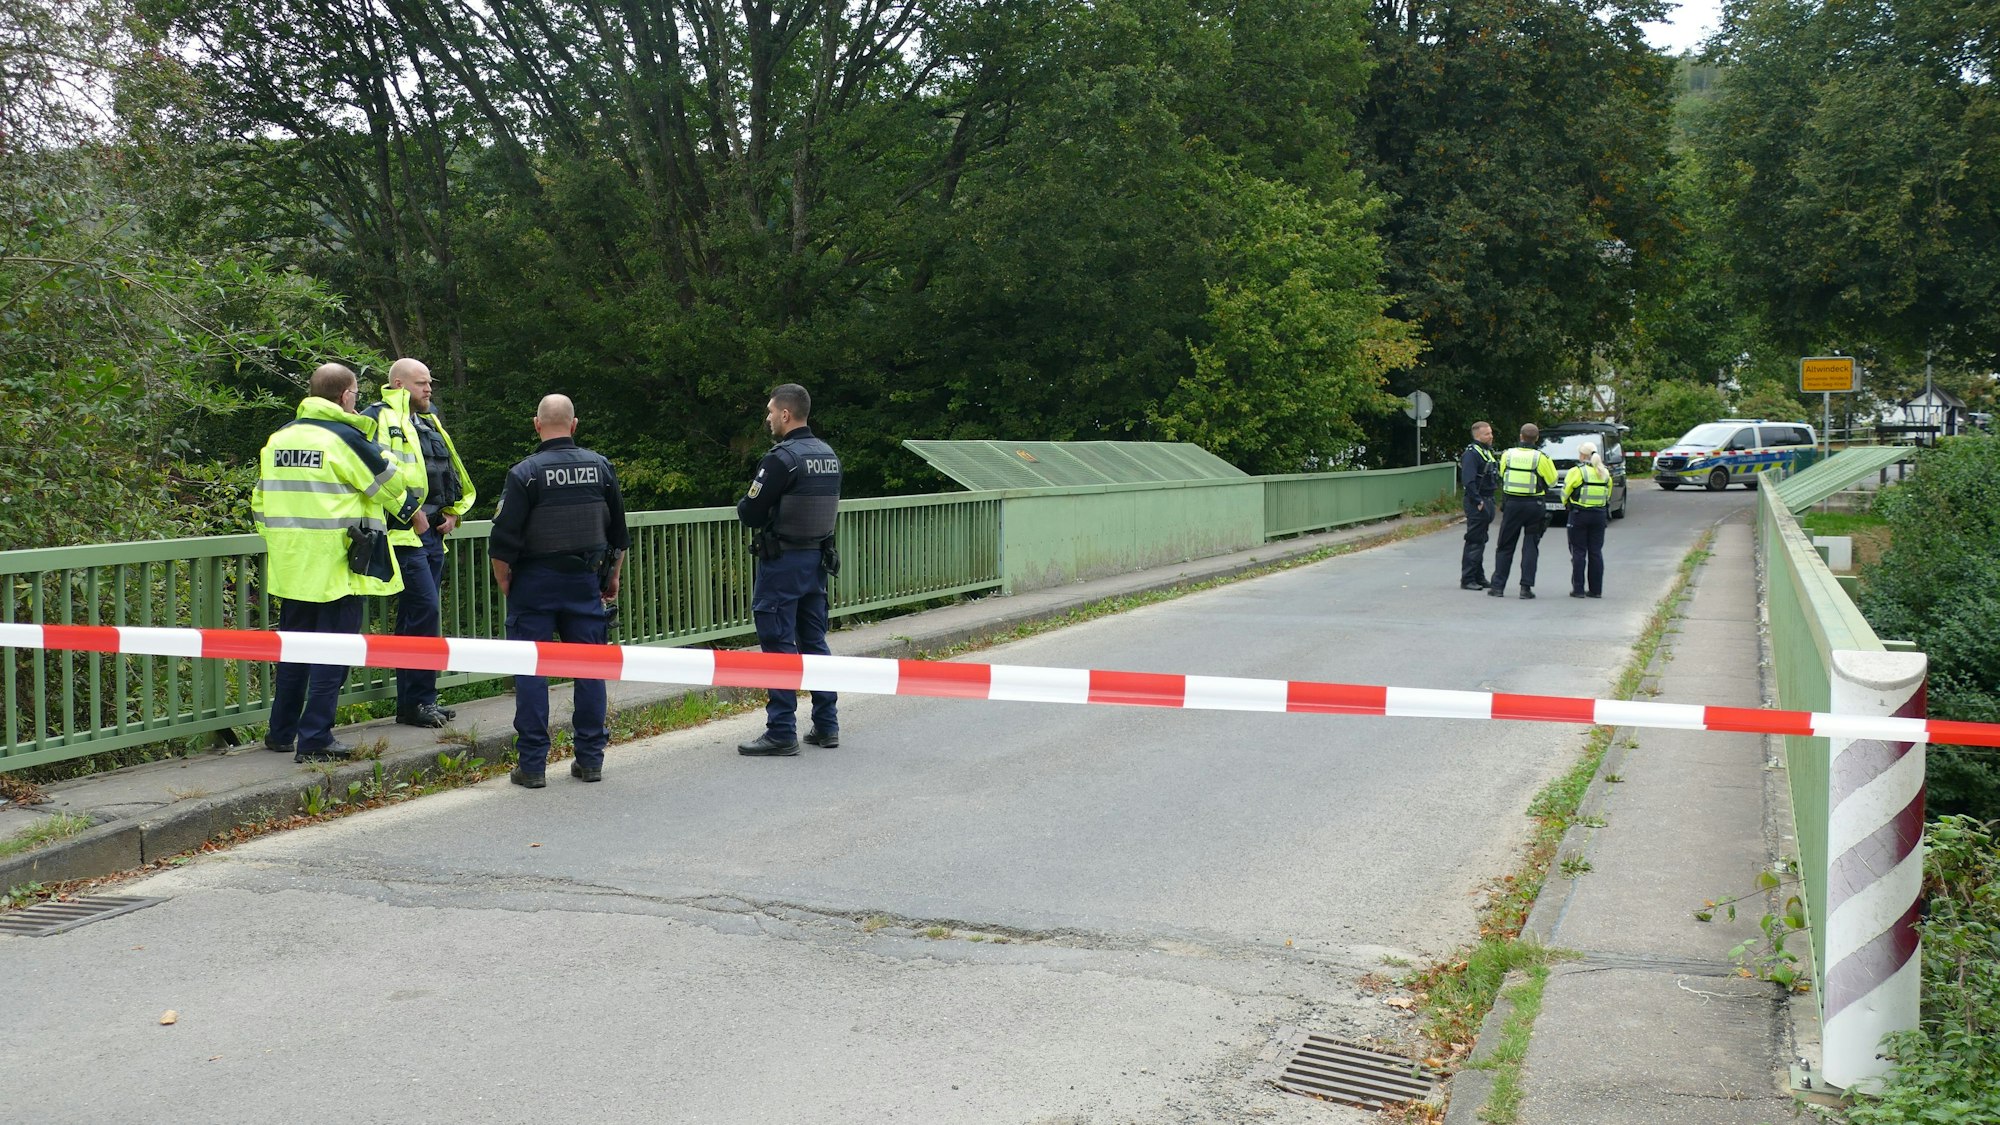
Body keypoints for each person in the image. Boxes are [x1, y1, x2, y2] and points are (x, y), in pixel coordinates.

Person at [252, 363, 423, 762]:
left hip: (292, 565)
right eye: (356, 394)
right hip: (337, 565)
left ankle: (281, 733)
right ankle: (315, 739)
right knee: (334, 652)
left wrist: (285, 541)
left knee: (294, 651)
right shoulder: (345, 438)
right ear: (346, 396)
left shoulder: (279, 438)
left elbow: (259, 503)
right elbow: (390, 484)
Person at [488, 395, 629, 788]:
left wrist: (506, 582)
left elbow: (501, 541)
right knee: (589, 670)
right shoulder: (601, 468)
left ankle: (532, 766)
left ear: (537, 425)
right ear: (574, 424)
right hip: (585, 581)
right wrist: (612, 577)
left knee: (532, 671)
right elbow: (620, 535)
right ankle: (590, 760)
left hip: (533, 584)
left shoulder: (525, 474)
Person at [363, 358, 477, 729]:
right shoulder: (377, 418)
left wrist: (454, 510)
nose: (429, 389)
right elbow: (373, 475)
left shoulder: (428, 420)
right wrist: (410, 511)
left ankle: (416, 703)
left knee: (418, 618)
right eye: (421, 383)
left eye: (430, 383)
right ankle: (419, 701)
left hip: (429, 534)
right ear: (398, 384)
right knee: (424, 612)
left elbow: (448, 470)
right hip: (400, 533)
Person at [734, 383, 842, 757]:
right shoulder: (828, 454)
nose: (767, 418)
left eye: (769, 412)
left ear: (785, 414)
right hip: (816, 561)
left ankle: (781, 731)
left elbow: (750, 511)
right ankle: (827, 726)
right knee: (814, 644)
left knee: (779, 645)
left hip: (783, 564)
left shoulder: (782, 459)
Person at [1488, 423, 1557, 600]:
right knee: (1530, 547)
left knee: (1505, 545)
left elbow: (1502, 474)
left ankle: (1497, 587)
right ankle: (1525, 588)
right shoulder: (1541, 458)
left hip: (1512, 505)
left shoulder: (1507, 455)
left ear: (1520, 436)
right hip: (1534, 505)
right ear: (1537, 439)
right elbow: (1552, 481)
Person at [1563, 440, 1612, 599]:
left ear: (1583, 455)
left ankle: (1578, 589)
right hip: (1599, 515)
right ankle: (1596, 590)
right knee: (1595, 552)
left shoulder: (1577, 471)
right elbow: (1607, 495)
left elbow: (1566, 491)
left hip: (1579, 514)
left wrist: (1566, 504)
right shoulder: (1605, 473)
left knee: (1578, 552)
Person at [1459, 421, 1499, 590]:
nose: (1490, 436)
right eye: (1486, 434)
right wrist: (1478, 501)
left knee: (1481, 539)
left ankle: (1478, 576)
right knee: (1474, 540)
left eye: (1490, 433)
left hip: (1488, 498)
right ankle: (1468, 579)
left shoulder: (1486, 451)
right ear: (1477, 436)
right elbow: (1468, 481)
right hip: (1478, 501)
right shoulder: (1471, 454)